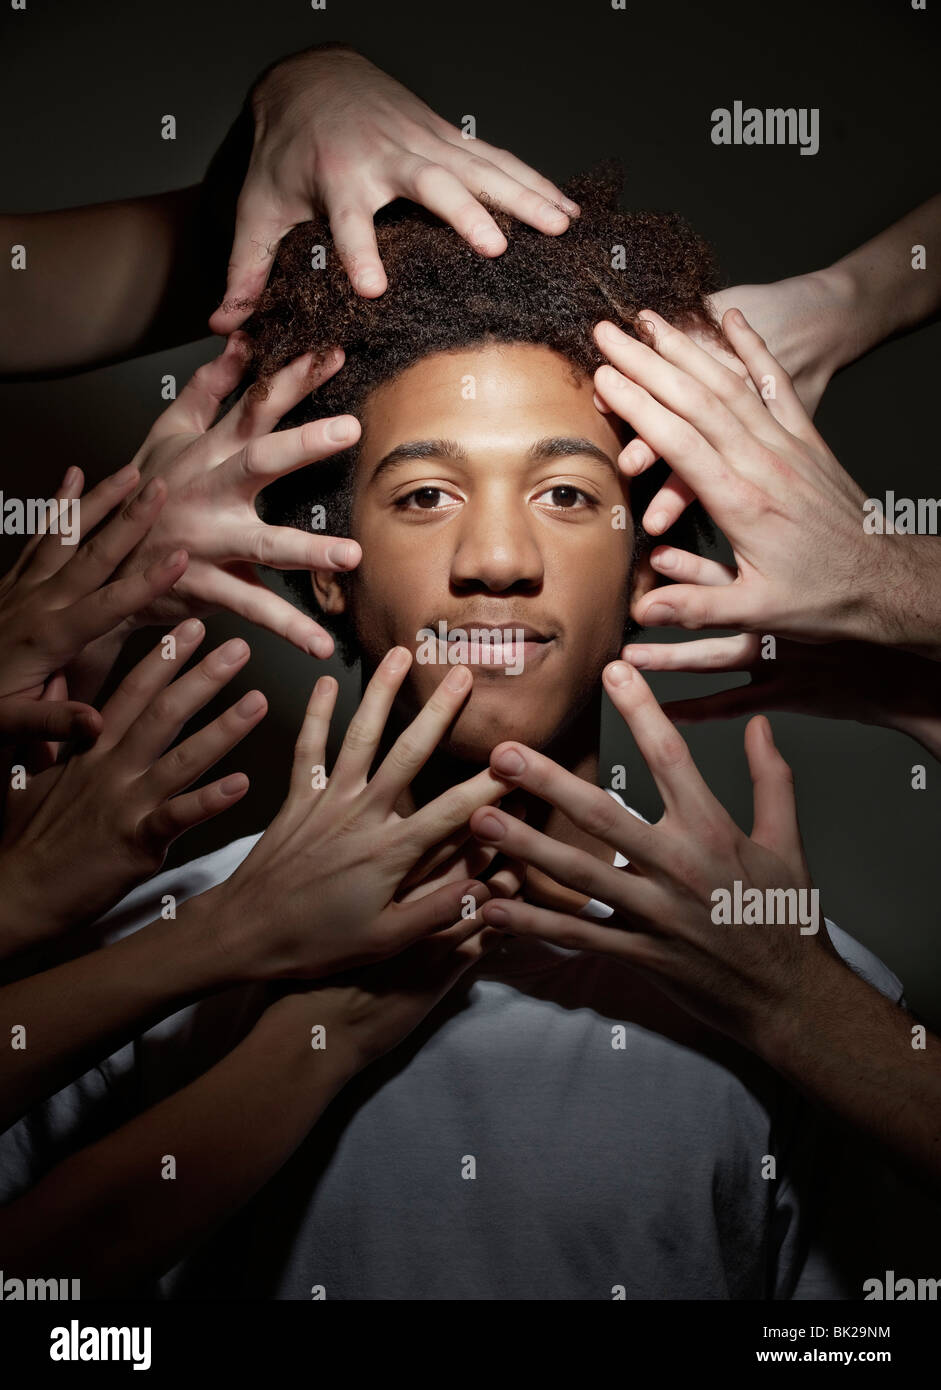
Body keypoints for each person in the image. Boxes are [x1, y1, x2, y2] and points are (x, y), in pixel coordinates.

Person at [3, 169, 937, 1298]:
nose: (496, 560)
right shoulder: (123, 970)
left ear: (650, 564)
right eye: (423, 496)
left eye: (565, 495)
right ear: (326, 571)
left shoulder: (823, 1007)